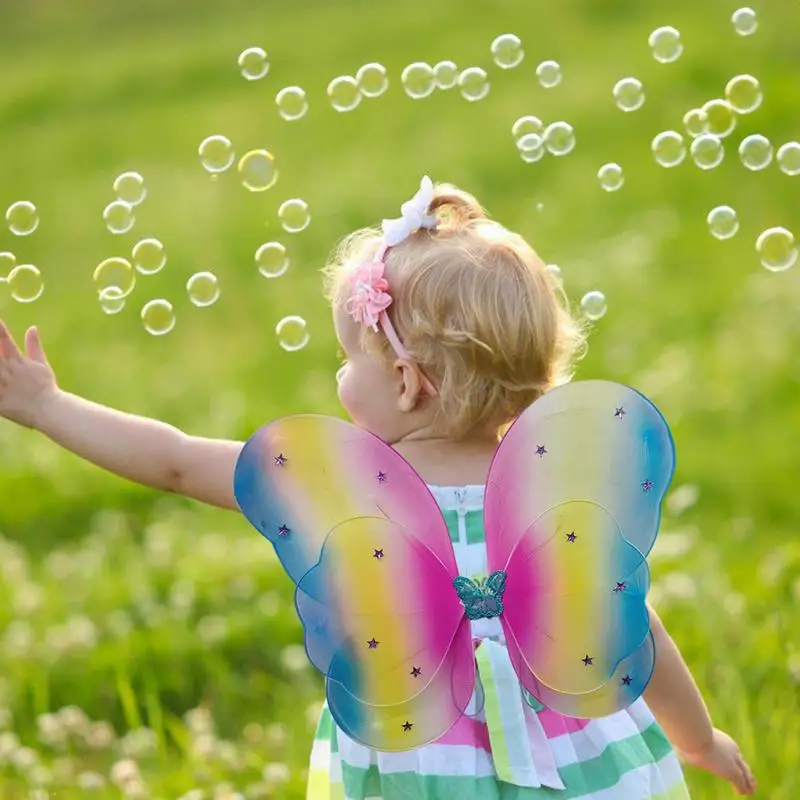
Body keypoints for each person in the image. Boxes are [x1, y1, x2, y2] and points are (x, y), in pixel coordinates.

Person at [0, 177, 756, 799]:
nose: (339, 374)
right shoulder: (555, 492)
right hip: (575, 767)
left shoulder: (339, 489)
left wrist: (46, 406)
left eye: (347, 357)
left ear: (403, 380)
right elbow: (636, 630)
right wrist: (698, 739)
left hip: (415, 767)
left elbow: (173, 461)